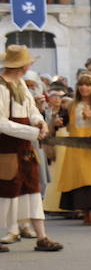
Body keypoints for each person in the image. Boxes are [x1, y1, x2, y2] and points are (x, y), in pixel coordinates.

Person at [0, 45, 62, 252]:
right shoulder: (0, 87)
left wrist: (39, 122)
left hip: (25, 148)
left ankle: (42, 237)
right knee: (6, 192)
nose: (30, 66)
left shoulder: (21, 84)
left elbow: (32, 109)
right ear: (22, 65)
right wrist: (32, 132)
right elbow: (1, 122)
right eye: (28, 63)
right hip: (6, 148)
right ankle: (10, 231)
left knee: (33, 189)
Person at [53, 72, 91, 224]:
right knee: (80, 179)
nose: (84, 87)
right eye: (81, 84)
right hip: (76, 147)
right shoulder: (72, 105)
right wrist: (57, 122)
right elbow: (62, 121)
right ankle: (86, 213)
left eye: (88, 84)